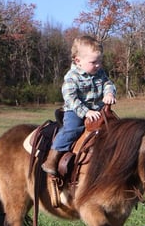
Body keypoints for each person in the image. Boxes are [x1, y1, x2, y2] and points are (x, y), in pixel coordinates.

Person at [42, 35, 117, 175]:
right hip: (75, 111)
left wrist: (109, 94)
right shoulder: (72, 77)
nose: (98, 65)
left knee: (117, 128)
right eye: (93, 62)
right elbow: (70, 98)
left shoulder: (100, 73)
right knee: (72, 129)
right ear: (78, 61)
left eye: (100, 61)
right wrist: (85, 112)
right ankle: (53, 157)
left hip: (98, 110)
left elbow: (108, 83)